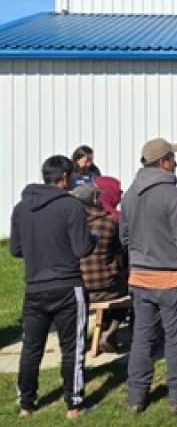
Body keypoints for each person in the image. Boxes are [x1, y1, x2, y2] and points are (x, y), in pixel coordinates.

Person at [121, 138, 177, 415]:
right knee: (176, 340)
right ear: (163, 162)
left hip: (140, 277)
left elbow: (125, 238)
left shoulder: (129, 195)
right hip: (173, 278)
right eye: (173, 158)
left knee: (142, 338)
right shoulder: (175, 196)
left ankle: (136, 397)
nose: (176, 162)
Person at [10, 155, 95, 419]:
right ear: (64, 177)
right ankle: (74, 404)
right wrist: (92, 237)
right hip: (67, 285)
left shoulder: (21, 208)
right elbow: (82, 248)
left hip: (35, 286)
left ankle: (26, 404)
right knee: (73, 347)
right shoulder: (71, 205)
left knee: (31, 347)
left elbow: (15, 249)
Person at [74, 180, 127, 353]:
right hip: (107, 287)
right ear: (95, 200)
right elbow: (121, 253)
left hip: (79, 287)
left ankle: (93, 332)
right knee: (130, 288)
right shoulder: (109, 222)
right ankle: (111, 329)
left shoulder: (72, 224)